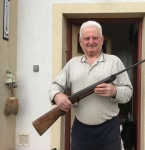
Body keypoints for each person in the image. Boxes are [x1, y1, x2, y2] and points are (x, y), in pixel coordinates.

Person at [49, 20, 133, 150]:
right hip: (81, 130)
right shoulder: (72, 63)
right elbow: (55, 86)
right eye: (86, 38)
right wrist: (57, 96)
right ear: (80, 41)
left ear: (102, 39)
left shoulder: (114, 61)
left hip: (109, 130)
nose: (91, 42)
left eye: (95, 38)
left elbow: (128, 92)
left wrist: (114, 91)